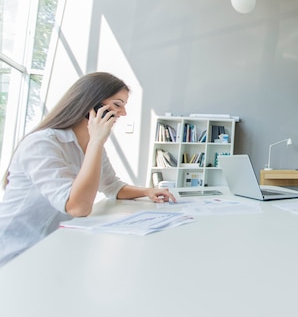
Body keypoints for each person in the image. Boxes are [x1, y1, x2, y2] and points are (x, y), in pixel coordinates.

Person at [0, 72, 176, 267]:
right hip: (17, 252)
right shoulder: (42, 144)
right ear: (92, 105)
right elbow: (77, 207)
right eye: (117, 105)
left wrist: (147, 191)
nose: (123, 113)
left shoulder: (91, 143)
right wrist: (97, 142)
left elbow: (112, 186)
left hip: (53, 245)